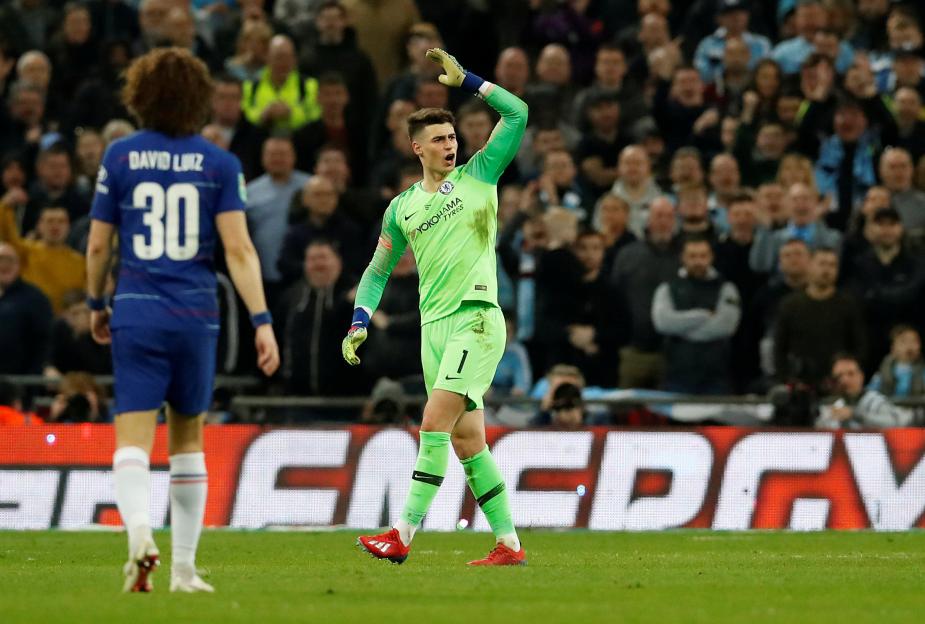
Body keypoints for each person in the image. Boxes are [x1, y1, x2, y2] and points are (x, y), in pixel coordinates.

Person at [86, 48, 280, 594]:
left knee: (133, 433)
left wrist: (96, 303)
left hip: (138, 310)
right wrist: (262, 321)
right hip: (196, 314)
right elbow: (239, 251)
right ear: (198, 98)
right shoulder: (220, 163)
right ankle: (184, 570)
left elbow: (100, 243)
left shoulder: (120, 156)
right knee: (188, 437)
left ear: (140, 95)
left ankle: (140, 535)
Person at [342, 49, 528, 566]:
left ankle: (401, 534)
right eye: (440, 140)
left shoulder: (480, 175)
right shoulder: (401, 208)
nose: (450, 145)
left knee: (433, 425)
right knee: (469, 443)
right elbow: (377, 273)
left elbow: (518, 114)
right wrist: (359, 320)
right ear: (416, 147)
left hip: (475, 318)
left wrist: (468, 80)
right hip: (435, 330)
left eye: (452, 137)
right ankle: (509, 545)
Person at [652, 236, 741, 394]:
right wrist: (704, 315)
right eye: (692, 256)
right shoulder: (667, 288)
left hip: (716, 376)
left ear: (711, 257)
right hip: (677, 375)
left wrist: (683, 330)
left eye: (703, 256)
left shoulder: (727, 288)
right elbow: (663, 323)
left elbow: (725, 326)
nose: (698, 261)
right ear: (683, 258)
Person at [815, 353, 908, 429]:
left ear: (861, 376)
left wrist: (854, 414)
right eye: (839, 376)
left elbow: (896, 423)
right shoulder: (831, 406)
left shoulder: (875, 401)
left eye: (850, 374)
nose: (844, 380)